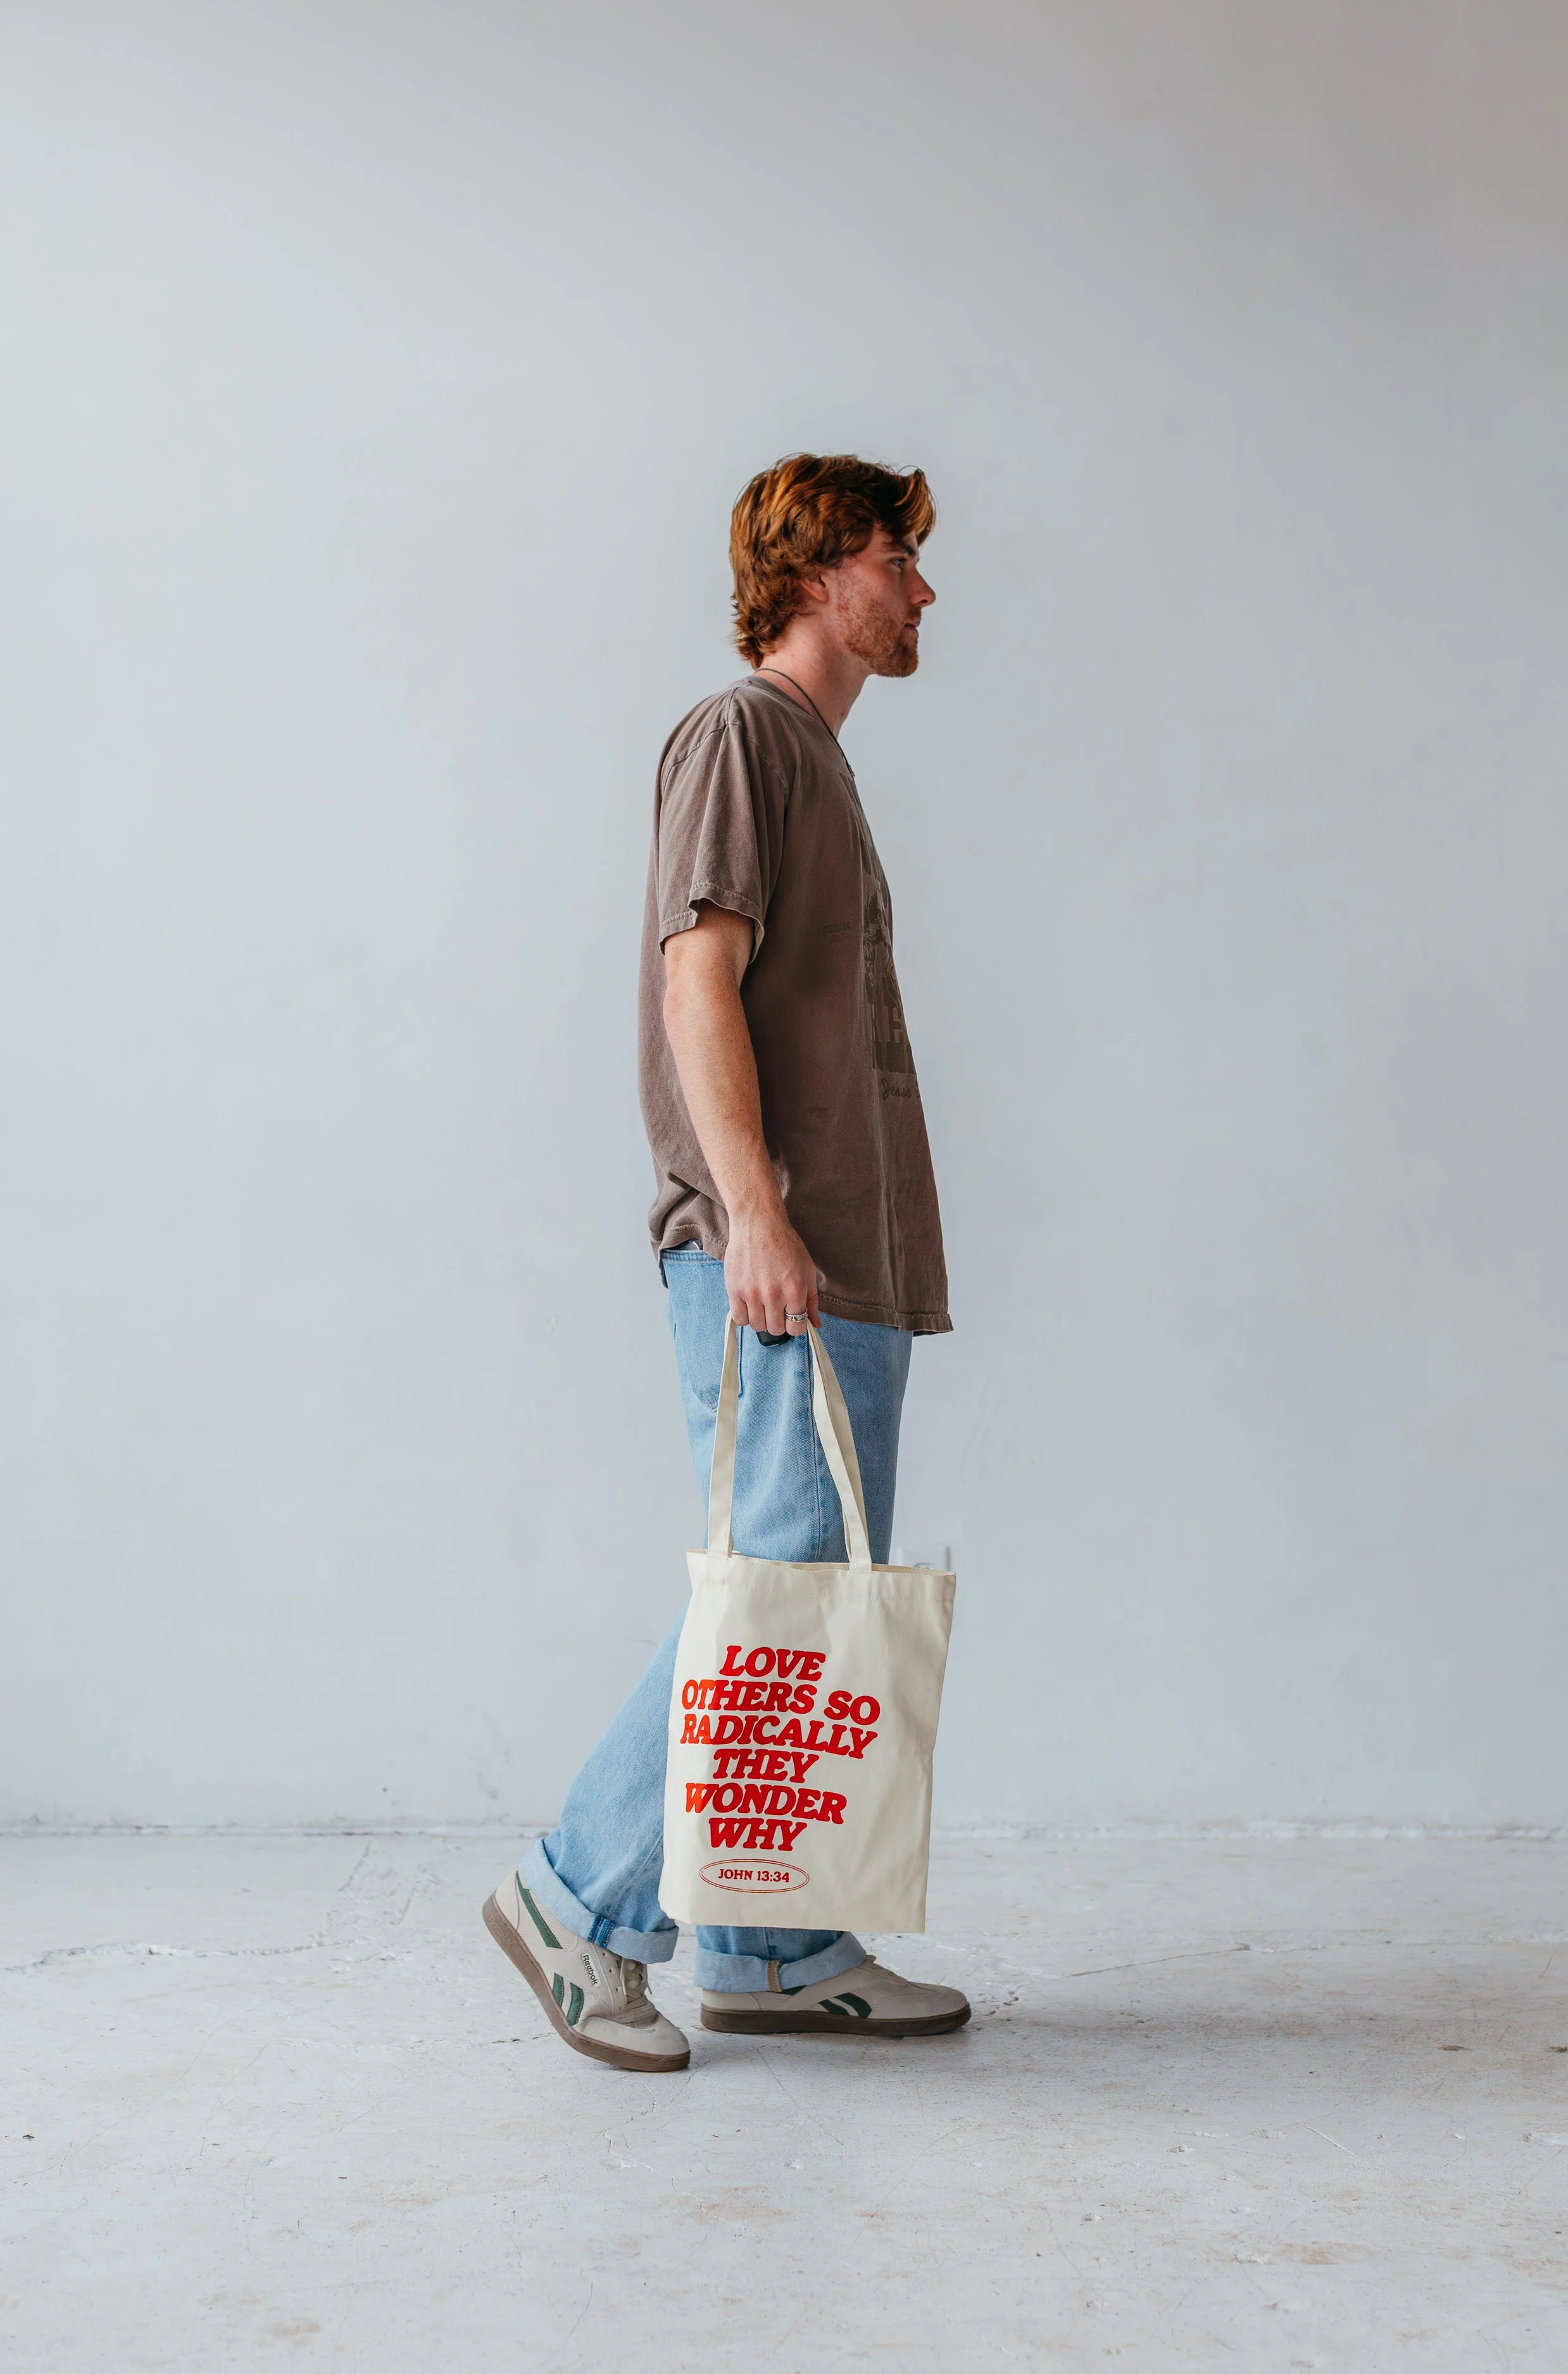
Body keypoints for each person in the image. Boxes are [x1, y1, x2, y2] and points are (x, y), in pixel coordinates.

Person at [484, 453, 969, 2070]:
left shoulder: (811, 761)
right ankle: (576, 1897)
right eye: (899, 556)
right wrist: (755, 1213)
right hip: (779, 1253)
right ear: (825, 562)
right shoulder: (744, 735)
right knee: (770, 1593)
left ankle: (765, 1937)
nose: (919, 589)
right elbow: (699, 982)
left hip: (839, 1262)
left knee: (805, 1598)